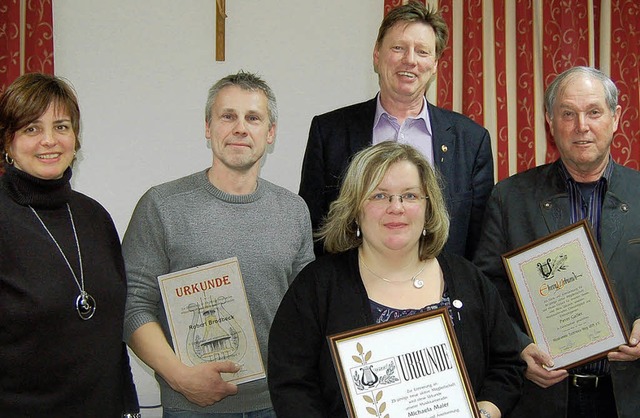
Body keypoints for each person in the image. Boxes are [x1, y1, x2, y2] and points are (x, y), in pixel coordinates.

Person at [269, 141, 523, 418]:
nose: (396, 207)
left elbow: (507, 366)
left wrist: (484, 413)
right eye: (379, 196)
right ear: (355, 208)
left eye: (410, 196)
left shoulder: (468, 278)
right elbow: (292, 384)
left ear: (428, 208)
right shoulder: (317, 287)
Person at [122, 71, 315, 417]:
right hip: (190, 405)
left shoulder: (294, 211)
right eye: (228, 116)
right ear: (208, 128)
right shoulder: (162, 205)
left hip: (275, 402)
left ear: (270, 133)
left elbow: (306, 310)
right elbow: (132, 306)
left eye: (253, 118)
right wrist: (180, 377)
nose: (240, 128)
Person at [473, 66, 640, 418]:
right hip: (542, 397)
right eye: (568, 113)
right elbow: (487, 290)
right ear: (550, 121)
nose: (581, 126)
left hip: (628, 395)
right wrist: (520, 348)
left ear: (615, 118)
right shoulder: (511, 198)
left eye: (594, 112)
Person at [299, 1, 493, 258]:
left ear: (435, 64)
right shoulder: (329, 132)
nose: (410, 60)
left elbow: (479, 242)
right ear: (377, 55)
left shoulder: (471, 140)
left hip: (439, 291)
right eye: (398, 48)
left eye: (422, 52)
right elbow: (312, 230)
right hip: (351, 291)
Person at [0, 73, 139, 417]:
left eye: (61, 126)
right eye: (32, 128)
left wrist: (129, 405)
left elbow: (110, 339)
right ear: (7, 142)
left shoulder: (95, 218)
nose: (49, 140)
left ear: (75, 138)